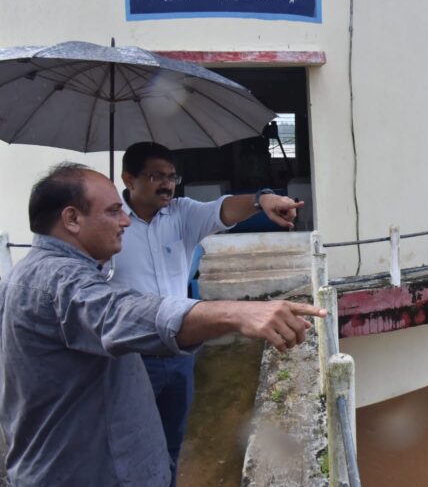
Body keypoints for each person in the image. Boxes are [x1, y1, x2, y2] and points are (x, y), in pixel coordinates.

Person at [0, 163, 325, 486]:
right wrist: (237, 313)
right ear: (72, 219)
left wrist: (260, 199)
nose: (124, 220)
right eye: (113, 211)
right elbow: (118, 312)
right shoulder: (57, 280)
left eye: (171, 176)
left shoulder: (32, 274)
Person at [108, 141, 304, 485]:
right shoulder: (110, 226)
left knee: (172, 440)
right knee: (126, 446)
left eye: (171, 175)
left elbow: (225, 208)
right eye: (156, 176)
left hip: (178, 351)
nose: (167, 183)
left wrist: (263, 199)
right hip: (130, 356)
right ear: (128, 178)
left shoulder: (182, 214)